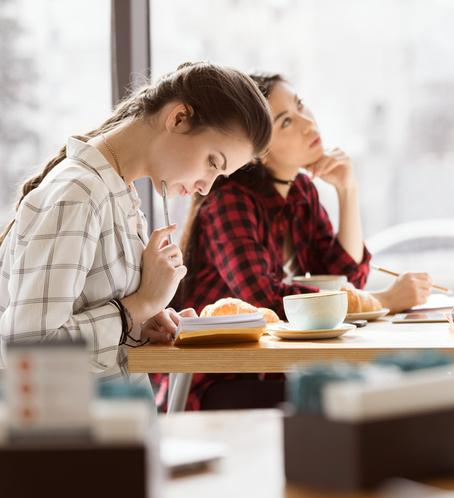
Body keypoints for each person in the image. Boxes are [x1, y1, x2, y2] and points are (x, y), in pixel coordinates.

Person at [153, 73, 432, 411]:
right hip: (219, 378)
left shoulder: (300, 191)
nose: (306, 122)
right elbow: (264, 298)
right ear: (257, 150)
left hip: (275, 370)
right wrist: (383, 299)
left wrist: (347, 191)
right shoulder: (228, 201)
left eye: (300, 106)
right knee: (359, 399)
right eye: (286, 121)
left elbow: (346, 279)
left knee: (383, 389)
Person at [0, 62, 273, 395]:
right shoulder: (79, 195)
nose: (205, 186)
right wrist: (139, 306)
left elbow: (84, 321)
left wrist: (140, 326)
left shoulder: (117, 195)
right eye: (212, 162)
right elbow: (30, 350)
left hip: (111, 429)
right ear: (178, 118)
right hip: (72, 437)